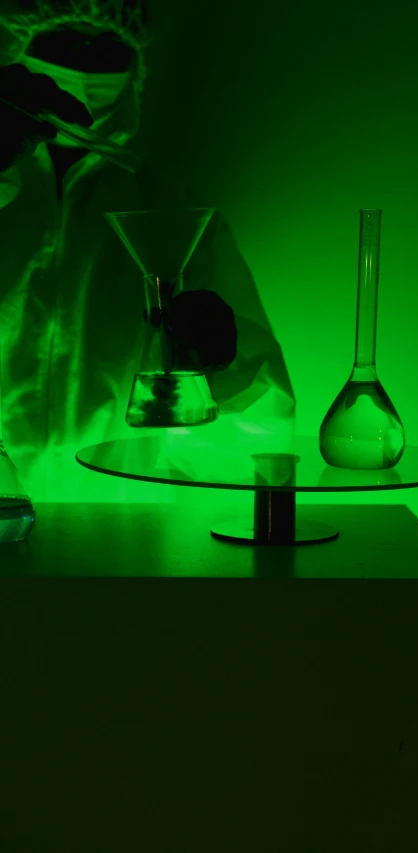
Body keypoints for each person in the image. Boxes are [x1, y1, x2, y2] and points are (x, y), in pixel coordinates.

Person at [0, 0, 295, 504]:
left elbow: (262, 429)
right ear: (15, 49)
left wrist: (221, 367)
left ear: (136, 66)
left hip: (120, 532)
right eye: (64, 44)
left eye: (105, 49)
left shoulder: (174, 215)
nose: (83, 66)